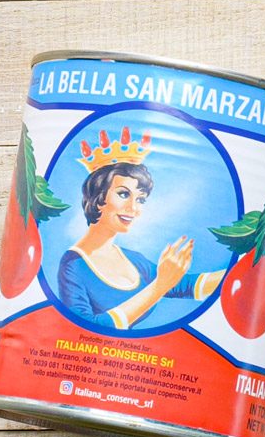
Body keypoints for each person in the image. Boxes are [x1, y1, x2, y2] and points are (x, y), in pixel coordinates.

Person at [56, 128, 221, 330]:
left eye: (140, 199)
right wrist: (159, 286)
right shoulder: (73, 265)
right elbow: (85, 327)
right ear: (98, 197)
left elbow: (188, 285)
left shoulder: (134, 260)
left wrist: (244, 268)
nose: (134, 208)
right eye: (124, 194)